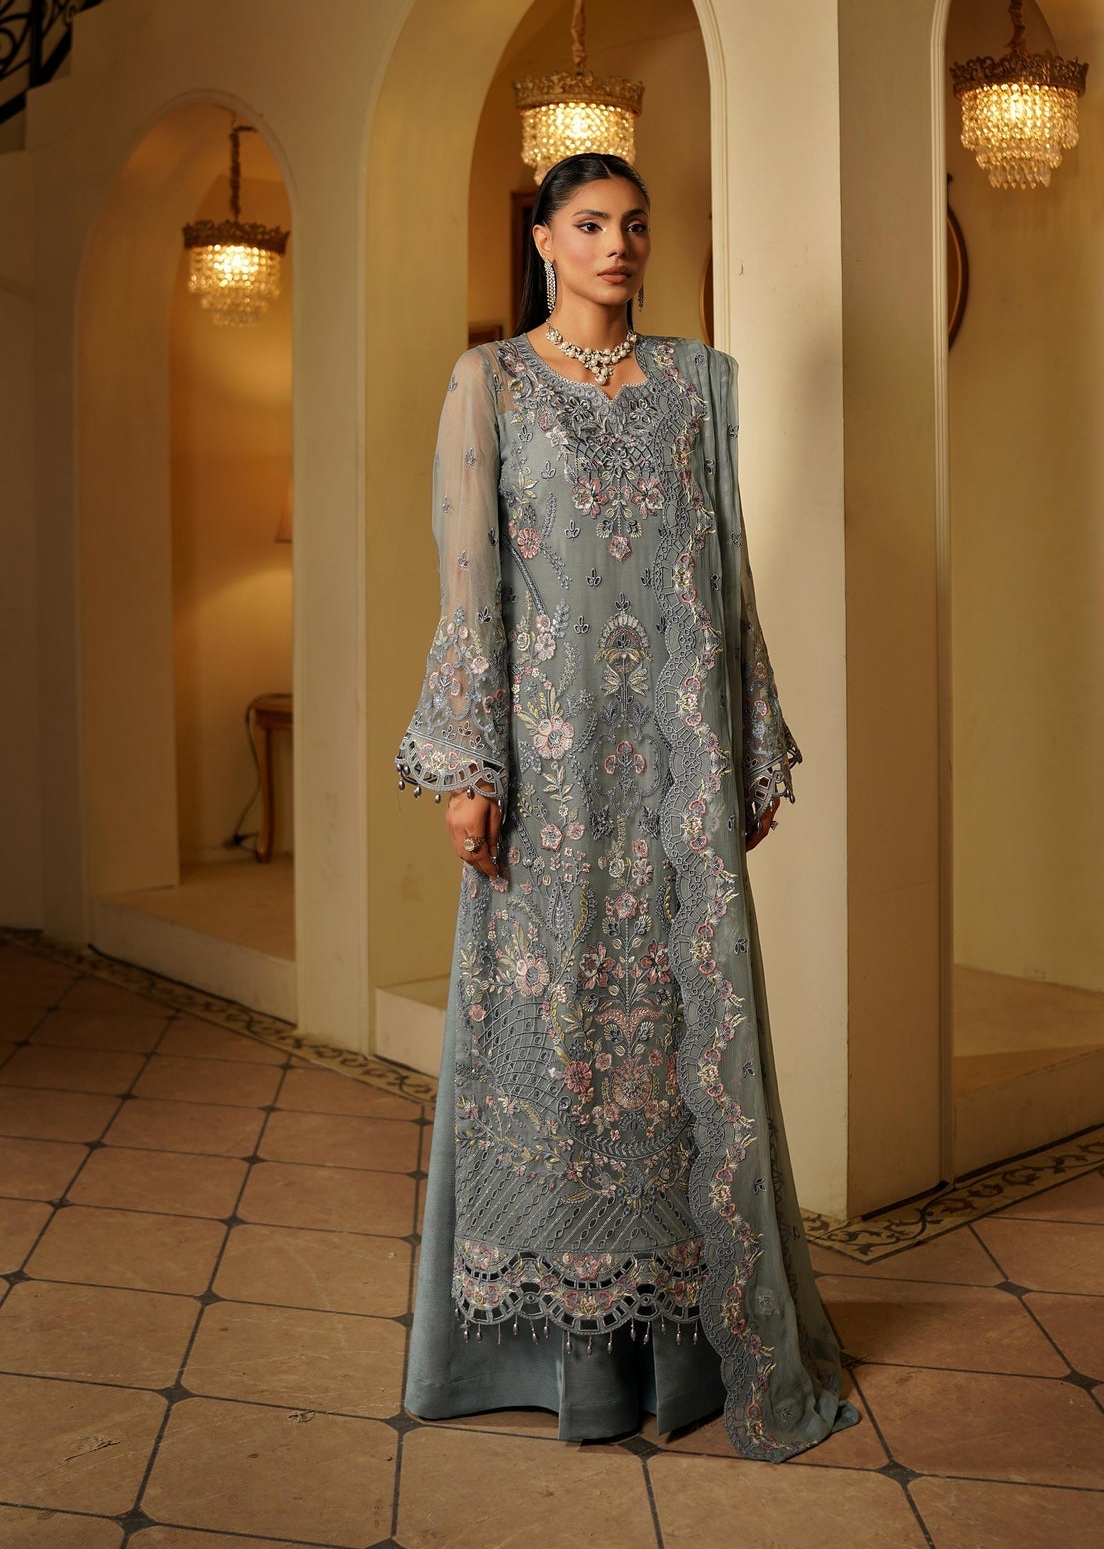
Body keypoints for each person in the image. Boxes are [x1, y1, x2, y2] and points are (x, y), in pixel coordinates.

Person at [396, 152, 859, 1460]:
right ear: (543, 241)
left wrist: (747, 746)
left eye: (634, 226)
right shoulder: (489, 381)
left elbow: (729, 570)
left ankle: (694, 1357)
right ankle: (568, 1369)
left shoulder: (699, 383)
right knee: (558, 1040)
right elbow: (468, 576)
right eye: (590, 224)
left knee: (671, 1035)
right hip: (551, 770)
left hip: (679, 766)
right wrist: (472, 765)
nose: (617, 245)